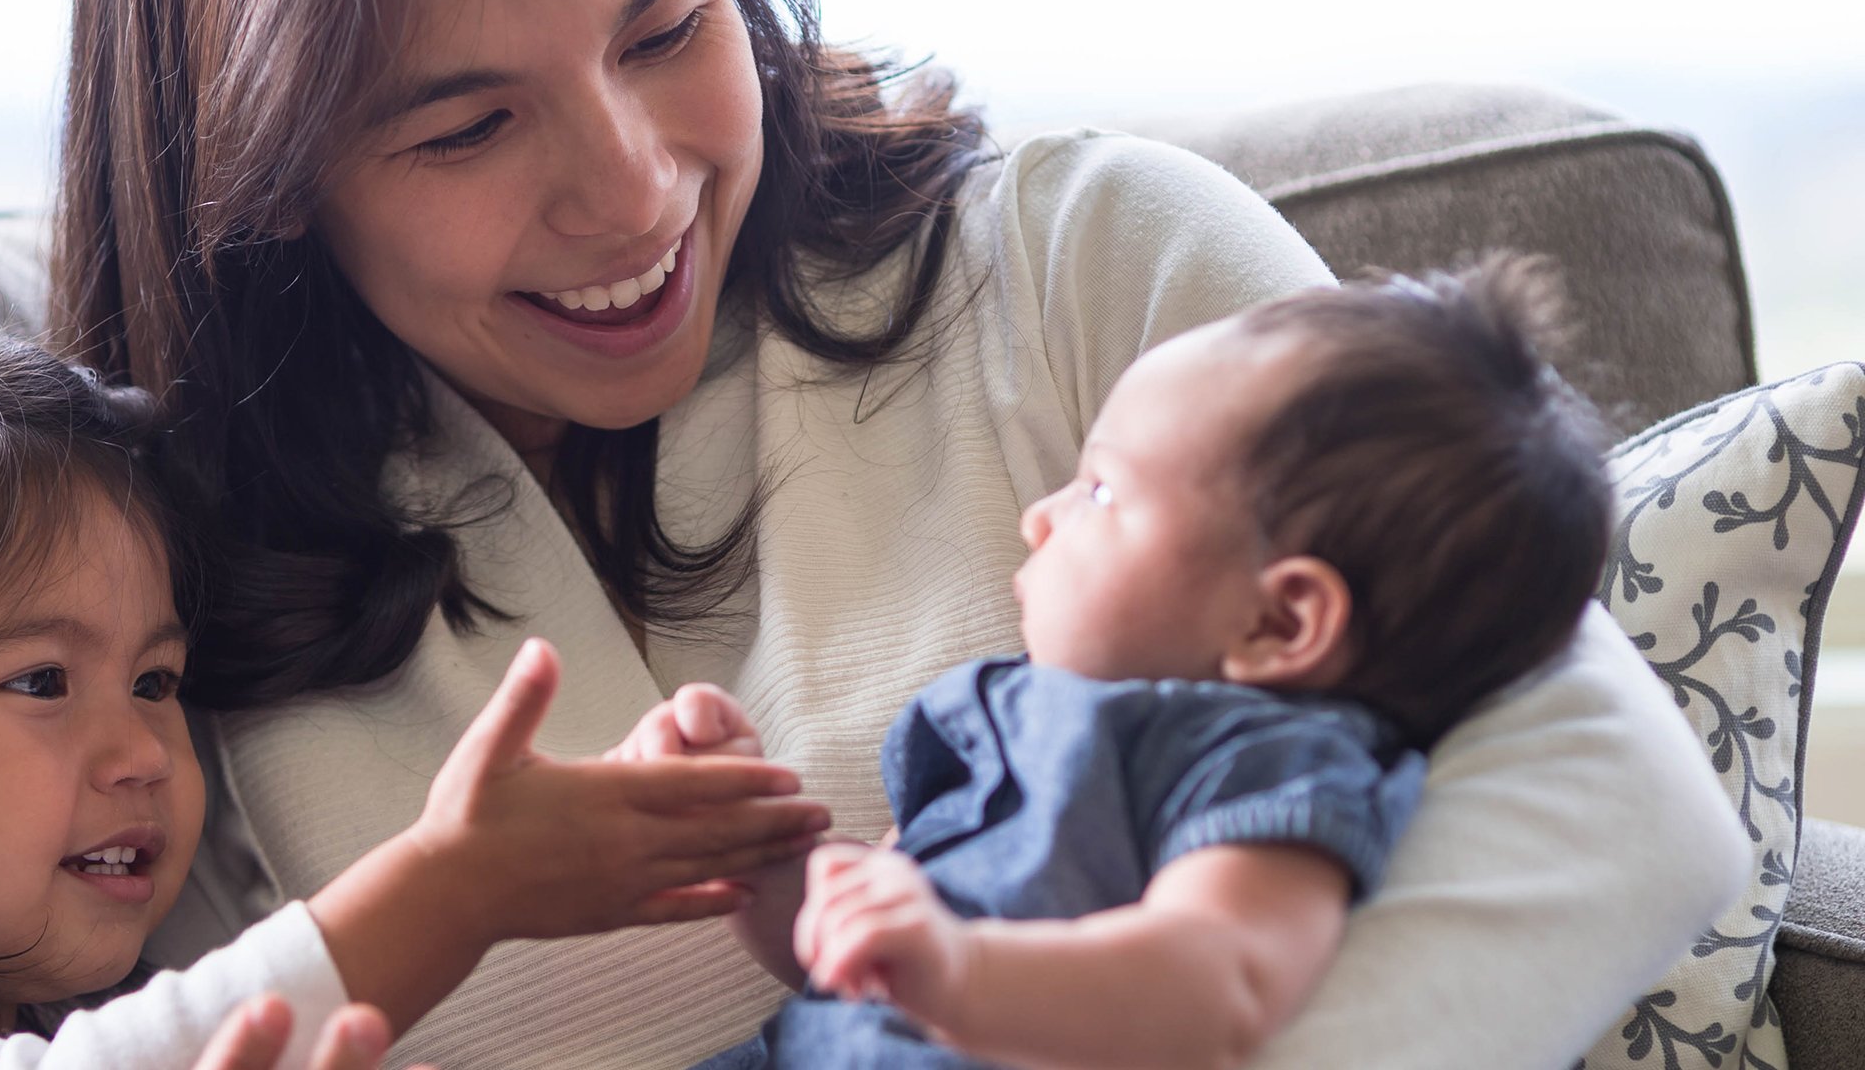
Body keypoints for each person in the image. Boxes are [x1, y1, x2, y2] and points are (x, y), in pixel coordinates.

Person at [46, 0, 1747, 1065]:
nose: (636, 186)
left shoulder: (1090, 262)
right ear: (252, 174)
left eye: (665, 27)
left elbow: (1624, 804)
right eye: (469, 125)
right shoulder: (128, 605)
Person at [0, 303, 826, 1069]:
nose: (142, 754)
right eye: (43, 679)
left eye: (159, 679)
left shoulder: (69, 1001)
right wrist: (446, 890)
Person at [668, 259, 1617, 1068]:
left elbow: (1221, 978)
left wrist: (959, 969)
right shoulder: (1013, 715)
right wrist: (768, 864)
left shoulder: (1268, 759)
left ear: (1282, 620)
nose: (1041, 515)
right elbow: (845, 953)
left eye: (1101, 490)